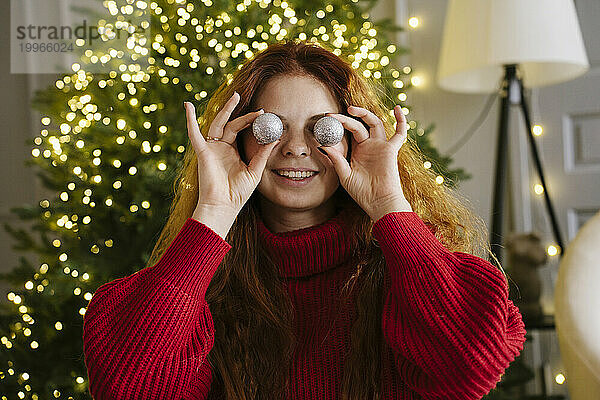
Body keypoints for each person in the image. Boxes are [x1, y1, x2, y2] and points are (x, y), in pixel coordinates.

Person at [82, 40, 526, 400]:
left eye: (322, 129)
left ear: (354, 140)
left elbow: (470, 368)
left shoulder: (410, 270)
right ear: (240, 139)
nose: (296, 148)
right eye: (271, 128)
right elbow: (131, 389)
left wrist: (389, 203)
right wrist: (213, 212)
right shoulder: (200, 282)